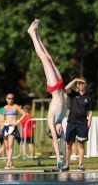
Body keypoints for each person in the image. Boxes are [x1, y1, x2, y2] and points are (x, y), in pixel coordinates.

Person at [27, 19, 67, 169]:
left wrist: (59, 160)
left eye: (59, 132)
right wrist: (67, 161)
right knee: (49, 58)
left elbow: (57, 141)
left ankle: (31, 34)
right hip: (61, 86)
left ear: (53, 132)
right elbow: (64, 140)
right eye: (61, 131)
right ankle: (37, 36)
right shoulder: (62, 118)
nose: (61, 130)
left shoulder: (51, 119)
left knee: (44, 59)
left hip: (54, 87)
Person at [63, 78, 94, 171]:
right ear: (77, 85)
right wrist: (75, 79)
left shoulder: (88, 97)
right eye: (79, 83)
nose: (81, 85)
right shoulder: (73, 94)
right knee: (68, 144)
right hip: (72, 122)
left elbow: (90, 111)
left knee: (81, 144)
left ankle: (80, 164)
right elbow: (65, 88)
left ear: (85, 85)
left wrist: (89, 122)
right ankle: (66, 164)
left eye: (82, 83)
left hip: (82, 124)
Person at [2, 93, 26, 169]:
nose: (10, 100)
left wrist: (17, 122)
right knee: (6, 146)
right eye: (9, 98)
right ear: (6, 99)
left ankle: (8, 163)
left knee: (10, 145)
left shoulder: (15, 106)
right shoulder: (5, 107)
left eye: (12, 98)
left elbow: (24, 114)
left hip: (12, 127)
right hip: (6, 126)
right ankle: (11, 162)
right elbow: (4, 116)